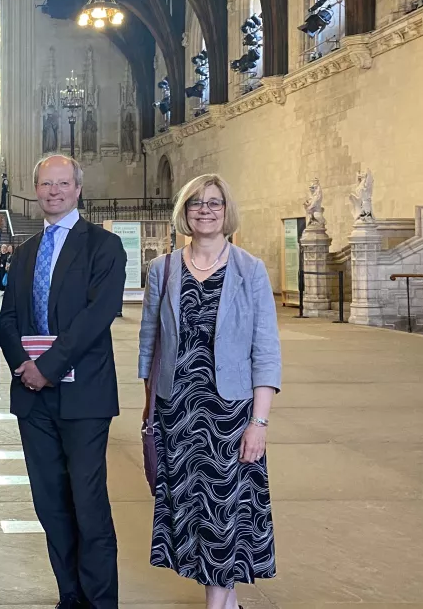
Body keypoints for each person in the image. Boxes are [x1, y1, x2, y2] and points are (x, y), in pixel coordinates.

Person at [137, 174, 280, 609]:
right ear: (185, 210)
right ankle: (228, 601)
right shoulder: (162, 270)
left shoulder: (250, 269)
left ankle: (216, 606)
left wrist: (259, 421)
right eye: (196, 202)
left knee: (222, 513)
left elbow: (266, 350)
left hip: (230, 414)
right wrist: (150, 410)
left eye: (214, 202)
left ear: (226, 211)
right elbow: (149, 345)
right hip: (177, 412)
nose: (205, 209)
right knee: (197, 514)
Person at [0, 155, 127, 609]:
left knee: (88, 505)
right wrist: (24, 367)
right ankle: (69, 594)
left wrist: (46, 365)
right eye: (46, 184)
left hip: (84, 396)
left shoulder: (103, 247)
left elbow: (96, 318)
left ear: (77, 189)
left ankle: (100, 600)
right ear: (36, 189)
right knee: (50, 503)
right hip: (34, 399)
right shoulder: (26, 250)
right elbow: (6, 317)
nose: (54, 191)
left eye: (62, 183)